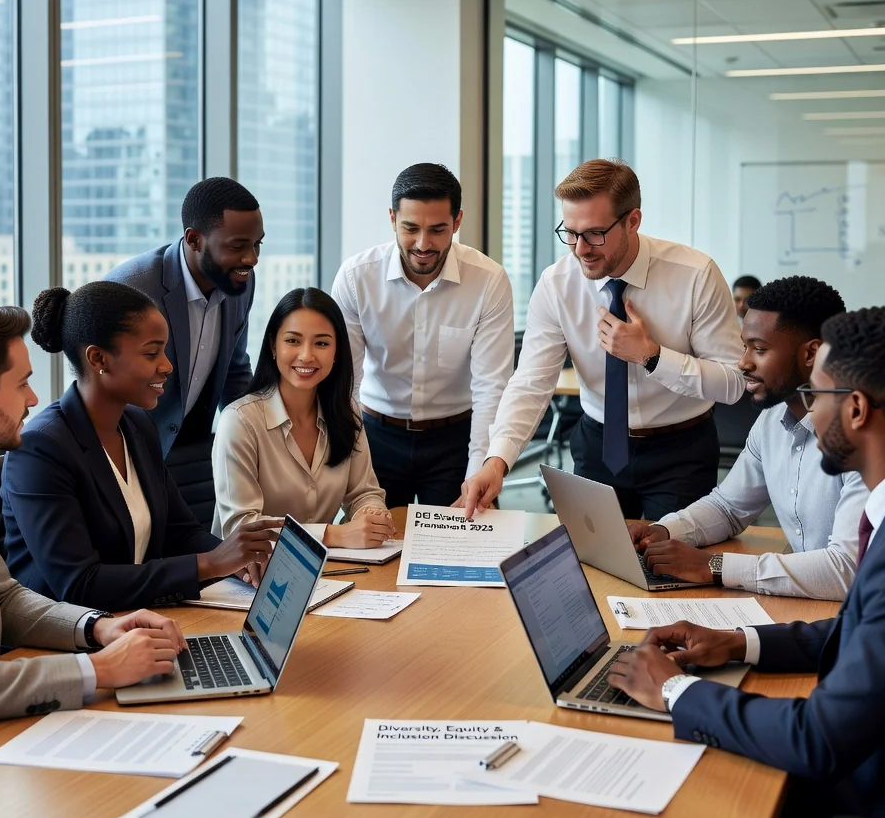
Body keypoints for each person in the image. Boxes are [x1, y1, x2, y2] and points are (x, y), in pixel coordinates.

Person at [606, 307, 885, 818]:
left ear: (856, 409)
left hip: (882, 812)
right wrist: (742, 643)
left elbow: (819, 738)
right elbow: (866, 628)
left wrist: (673, 693)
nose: (807, 414)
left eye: (817, 395)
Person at [0, 299, 188, 732]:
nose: (33, 398)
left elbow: (3, 597)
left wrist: (99, 627)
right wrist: (99, 670)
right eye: (22, 383)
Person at [460, 159, 744, 521]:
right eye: (570, 233)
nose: (580, 249)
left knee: (672, 568)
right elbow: (531, 382)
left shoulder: (695, 275)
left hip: (681, 451)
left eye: (594, 233)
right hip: (598, 446)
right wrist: (496, 460)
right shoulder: (557, 284)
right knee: (592, 568)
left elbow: (734, 382)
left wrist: (652, 356)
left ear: (633, 221)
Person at [1, 283, 278, 612]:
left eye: (165, 351)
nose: (167, 366)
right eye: (151, 353)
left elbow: (180, 532)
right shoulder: (40, 449)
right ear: (98, 358)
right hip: (60, 642)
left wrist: (239, 561)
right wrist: (210, 564)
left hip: (136, 621)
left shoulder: (137, 425)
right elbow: (78, 584)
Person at [629, 276, 867, 600]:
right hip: (811, 606)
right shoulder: (771, 421)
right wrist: (664, 530)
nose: (743, 363)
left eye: (759, 349)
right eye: (744, 347)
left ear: (811, 353)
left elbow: (846, 571)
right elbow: (728, 507)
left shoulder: (860, 436)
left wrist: (715, 566)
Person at [331, 163, 514, 508]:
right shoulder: (356, 278)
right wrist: (348, 464)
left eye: (438, 230)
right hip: (375, 437)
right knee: (370, 550)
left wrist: (478, 473)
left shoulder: (488, 281)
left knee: (462, 550)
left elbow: (491, 387)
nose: (423, 244)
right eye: (410, 228)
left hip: (456, 441)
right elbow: (345, 385)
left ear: (458, 222)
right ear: (392, 219)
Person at [213, 288, 395, 548]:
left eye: (321, 343)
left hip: (331, 570)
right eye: (293, 341)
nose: (307, 355)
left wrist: (371, 514)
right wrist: (333, 535)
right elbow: (243, 527)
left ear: (337, 352)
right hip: (250, 575)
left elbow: (363, 492)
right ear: (273, 345)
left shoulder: (346, 410)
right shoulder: (240, 421)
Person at [104, 177, 264, 455]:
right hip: (128, 452)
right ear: (194, 239)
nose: (252, 259)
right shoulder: (130, 288)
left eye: (257, 245)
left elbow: (235, 372)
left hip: (193, 451)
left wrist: (257, 448)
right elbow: (100, 386)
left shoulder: (241, 281)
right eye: (237, 246)